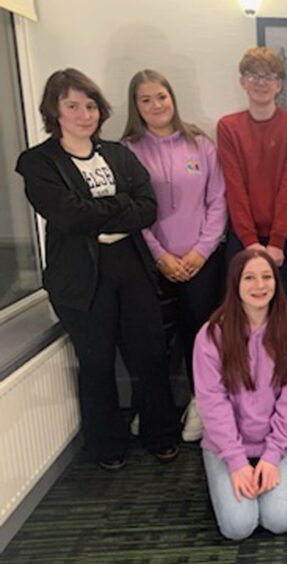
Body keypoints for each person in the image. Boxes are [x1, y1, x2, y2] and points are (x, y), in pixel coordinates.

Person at [16, 68, 180, 470]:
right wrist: (119, 206)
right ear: (54, 111)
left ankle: (160, 434)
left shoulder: (119, 154)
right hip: (80, 275)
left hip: (130, 266)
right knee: (96, 362)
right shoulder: (39, 163)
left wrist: (104, 213)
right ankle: (107, 446)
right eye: (72, 106)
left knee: (150, 354)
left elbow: (147, 208)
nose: (84, 114)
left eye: (90, 105)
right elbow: (68, 217)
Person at [123, 69, 227, 442]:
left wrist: (200, 251)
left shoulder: (200, 144)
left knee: (200, 336)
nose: (155, 105)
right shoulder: (128, 150)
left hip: (202, 260)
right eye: (145, 99)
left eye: (161, 97)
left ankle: (201, 405)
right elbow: (132, 211)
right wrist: (160, 255)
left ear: (173, 99)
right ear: (136, 106)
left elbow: (217, 201)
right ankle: (156, 409)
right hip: (153, 263)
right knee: (153, 343)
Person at [193, 249, 287, 541]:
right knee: (238, 526)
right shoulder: (211, 335)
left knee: (279, 520)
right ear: (235, 284)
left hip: (276, 442)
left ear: (276, 282)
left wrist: (273, 455)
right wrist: (235, 462)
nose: (259, 286)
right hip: (226, 446)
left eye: (266, 277)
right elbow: (212, 402)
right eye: (249, 278)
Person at [217, 47, 287, 307]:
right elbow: (234, 188)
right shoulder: (228, 127)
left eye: (268, 77)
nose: (261, 83)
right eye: (253, 76)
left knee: (283, 313)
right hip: (243, 238)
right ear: (242, 81)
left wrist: (277, 241)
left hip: (284, 239)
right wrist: (250, 241)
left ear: (278, 84)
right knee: (242, 313)